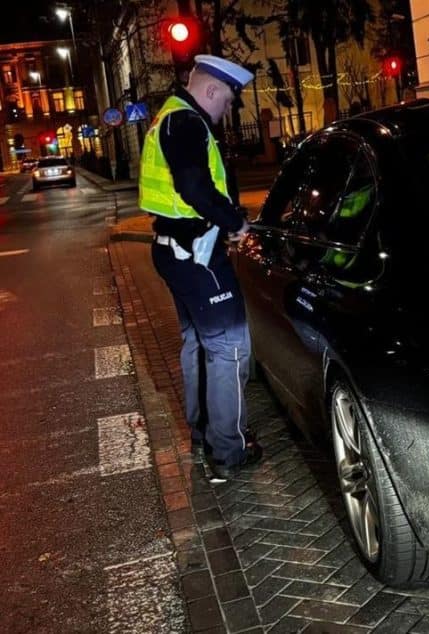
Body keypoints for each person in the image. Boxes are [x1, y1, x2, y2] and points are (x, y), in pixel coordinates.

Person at [138, 54, 261, 483]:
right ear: (210, 90)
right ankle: (229, 448)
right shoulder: (187, 122)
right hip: (198, 257)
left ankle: (203, 432)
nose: (228, 111)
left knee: (198, 344)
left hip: (176, 251)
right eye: (227, 101)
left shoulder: (167, 119)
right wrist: (236, 222)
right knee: (229, 348)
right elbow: (194, 188)